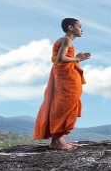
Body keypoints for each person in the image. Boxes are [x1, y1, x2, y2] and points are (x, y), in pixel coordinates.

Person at [34, 18, 91, 150]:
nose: (81, 30)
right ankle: (56, 140)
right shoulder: (66, 40)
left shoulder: (67, 41)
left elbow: (63, 59)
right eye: (79, 27)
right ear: (70, 28)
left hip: (67, 76)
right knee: (62, 104)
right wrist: (77, 58)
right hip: (65, 78)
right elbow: (60, 58)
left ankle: (59, 138)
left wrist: (76, 58)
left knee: (66, 104)